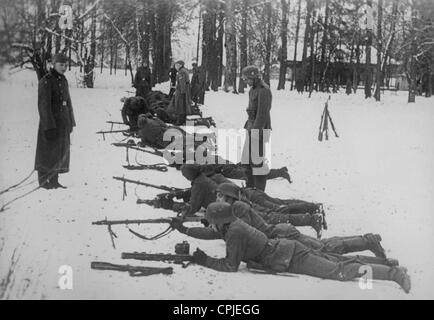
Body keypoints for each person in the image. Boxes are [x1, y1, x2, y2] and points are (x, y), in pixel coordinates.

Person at [186, 202, 411, 294]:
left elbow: (230, 266)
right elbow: (214, 233)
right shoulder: (233, 226)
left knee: (339, 271)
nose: (210, 224)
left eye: (210, 220)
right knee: (335, 261)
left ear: (219, 220)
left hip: (289, 256)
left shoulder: (234, 232)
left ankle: (393, 273)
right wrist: (187, 232)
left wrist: (203, 260)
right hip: (287, 249)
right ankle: (388, 265)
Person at [35, 53, 76, 189]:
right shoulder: (46, 80)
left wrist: (71, 121)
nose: (64, 67)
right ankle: (42, 181)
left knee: (58, 152)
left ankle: (54, 180)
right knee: (47, 151)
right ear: (53, 64)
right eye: (61, 65)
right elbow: (43, 105)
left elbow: (68, 102)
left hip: (62, 122)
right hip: (50, 123)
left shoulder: (63, 80)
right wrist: (49, 126)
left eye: (65, 65)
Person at [240, 65, 272, 192]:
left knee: (257, 162)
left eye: (247, 79)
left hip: (259, 130)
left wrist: (255, 132)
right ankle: (250, 189)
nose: (246, 82)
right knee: (247, 161)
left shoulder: (263, 91)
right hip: (251, 128)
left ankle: (259, 193)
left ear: (254, 77)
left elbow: (262, 115)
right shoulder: (253, 89)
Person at [168, 60, 192, 126]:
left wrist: (182, 92)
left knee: (180, 105)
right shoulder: (184, 71)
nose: (175, 66)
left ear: (180, 65)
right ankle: (183, 119)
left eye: (177, 65)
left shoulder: (181, 72)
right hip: (184, 90)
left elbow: (182, 83)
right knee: (184, 105)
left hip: (181, 91)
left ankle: (180, 120)